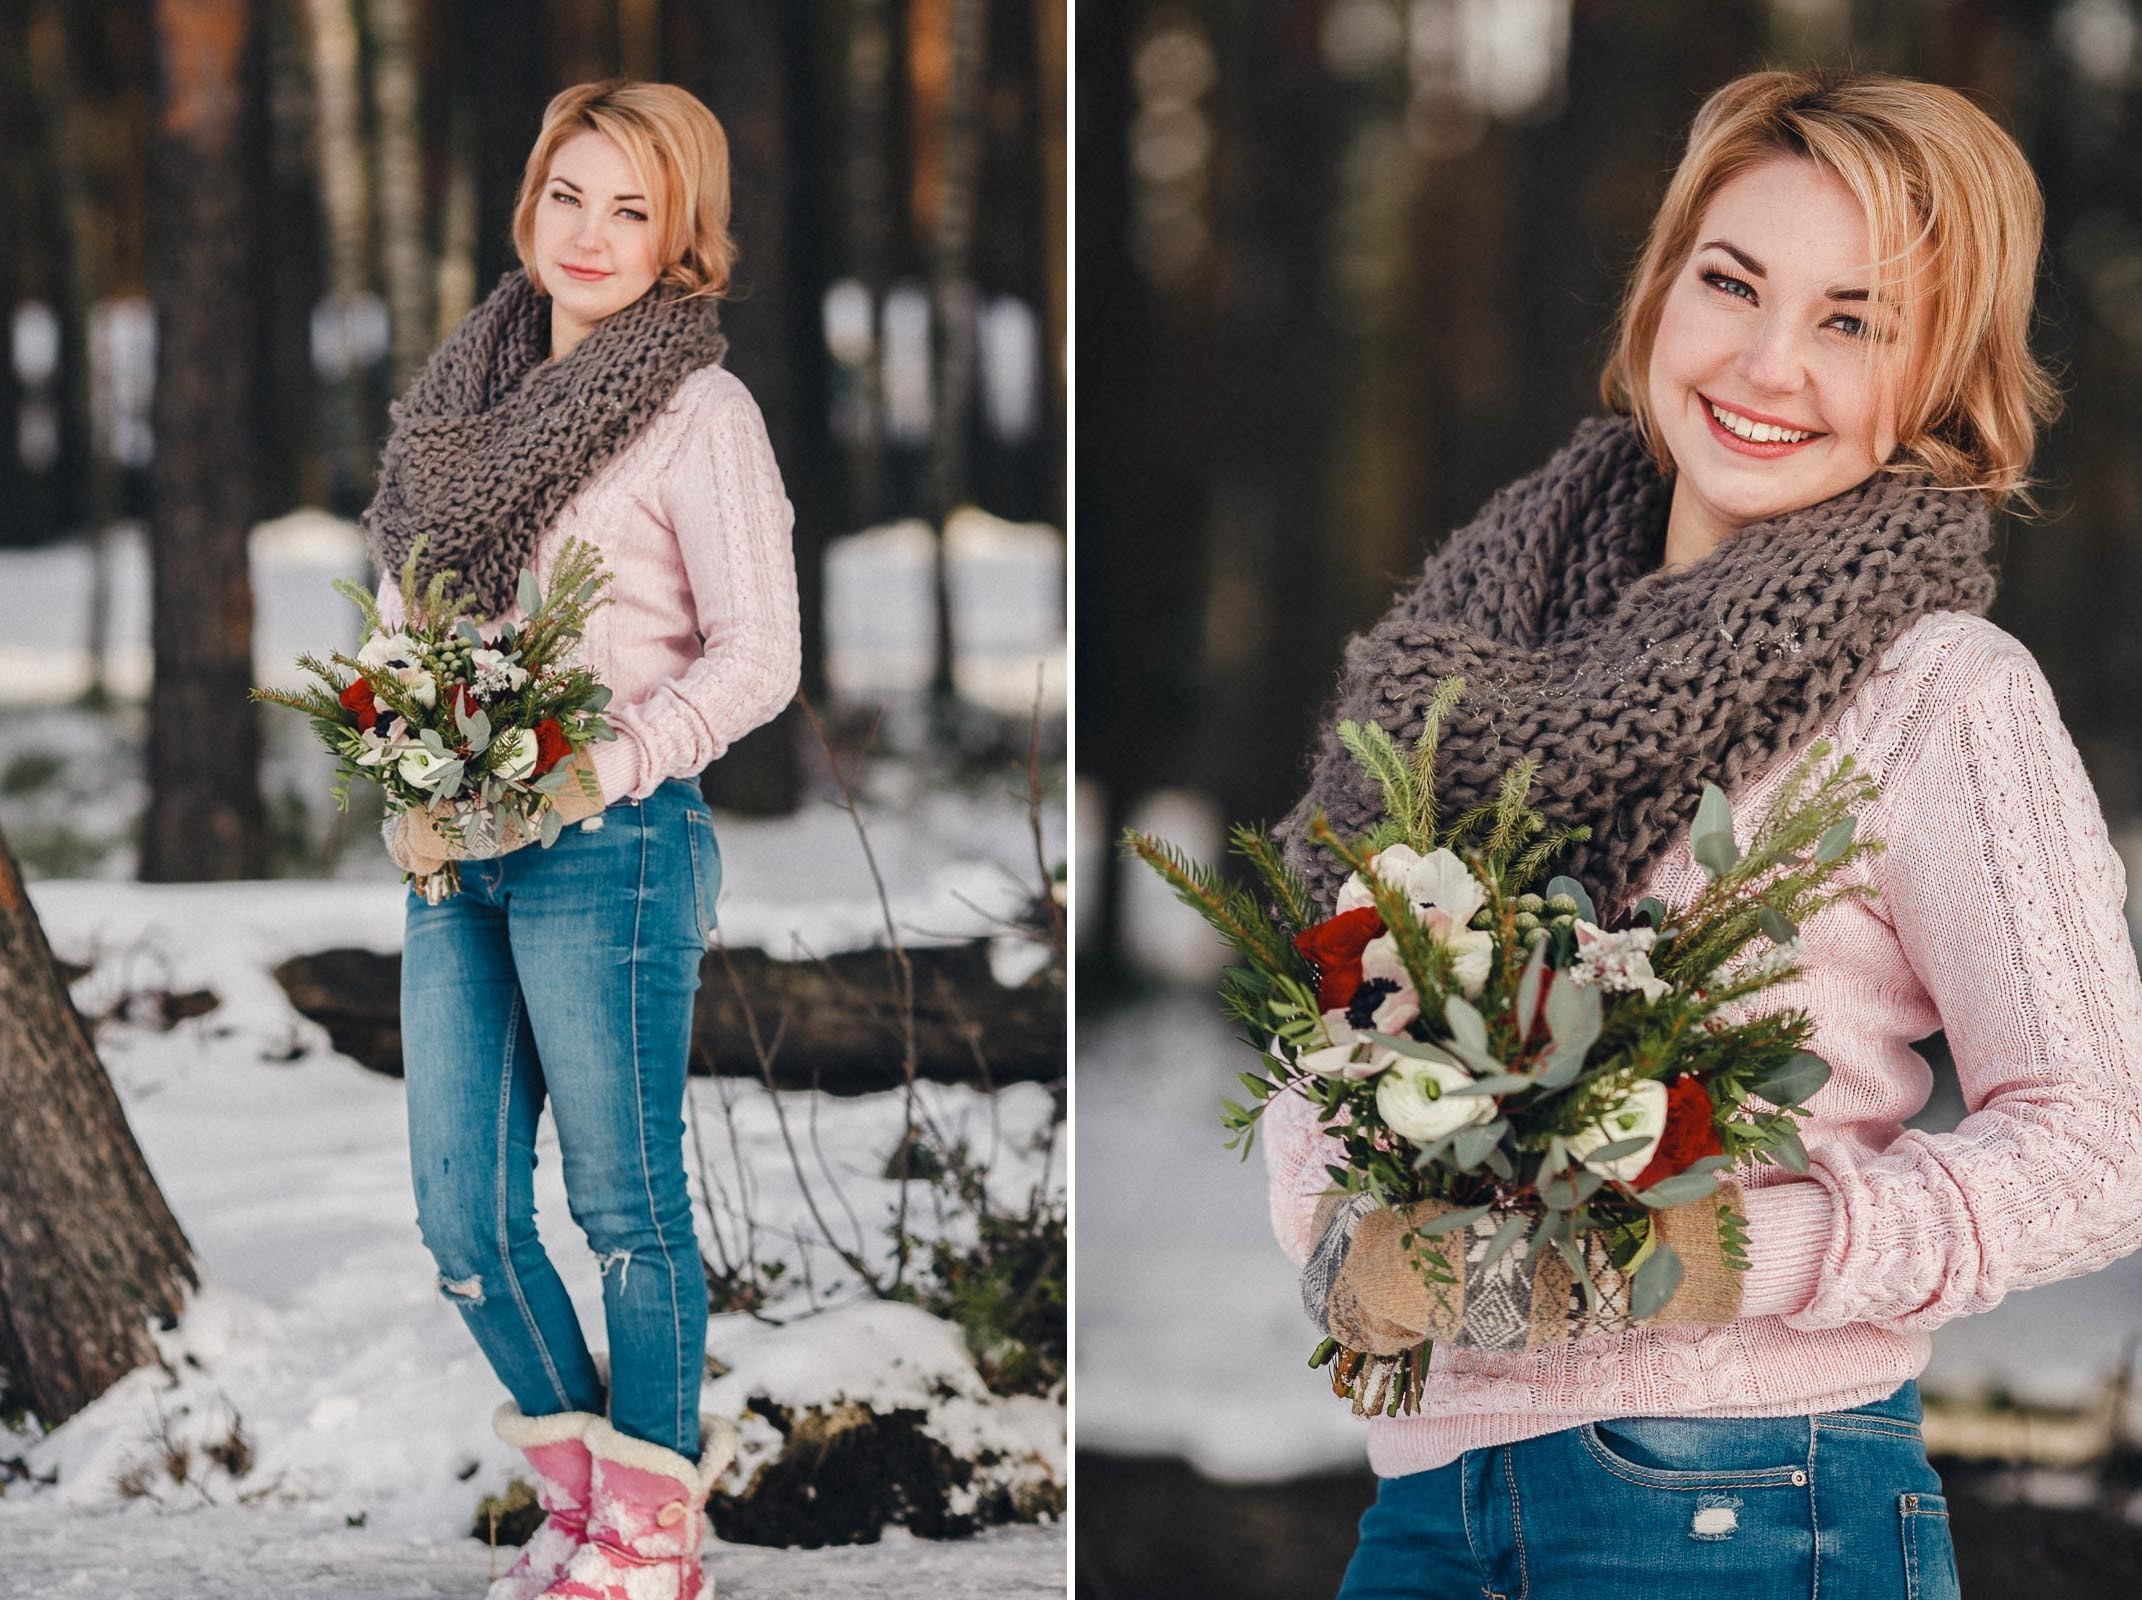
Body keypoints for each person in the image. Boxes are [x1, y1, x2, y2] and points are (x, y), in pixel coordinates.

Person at [1268, 69, 2142, 1599]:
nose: (1764, 361)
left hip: (1739, 1504)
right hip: (1426, 1510)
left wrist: (1736, 1260)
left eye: (1851, 322)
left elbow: (2097, 1145)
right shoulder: (1471, 648)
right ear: (1656, 293)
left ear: (1938, 378)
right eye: (1728, 282)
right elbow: (1325, 1031)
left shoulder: (1937, 692)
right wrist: (1345, 1241)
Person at [359, 79, 800, 1600]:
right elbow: (403, 608)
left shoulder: (699, 410)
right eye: (571, 196)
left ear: (681, 235)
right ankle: (578, 1492)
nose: (593, 234)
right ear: (529, 203)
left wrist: (597, 767)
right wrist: (406, 761)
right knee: (462, 1213)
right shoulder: (453, 400)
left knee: (625, 1207)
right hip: (456, 846)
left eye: (633, 208)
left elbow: (760, 655)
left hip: (611, 844)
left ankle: (651, 1534)